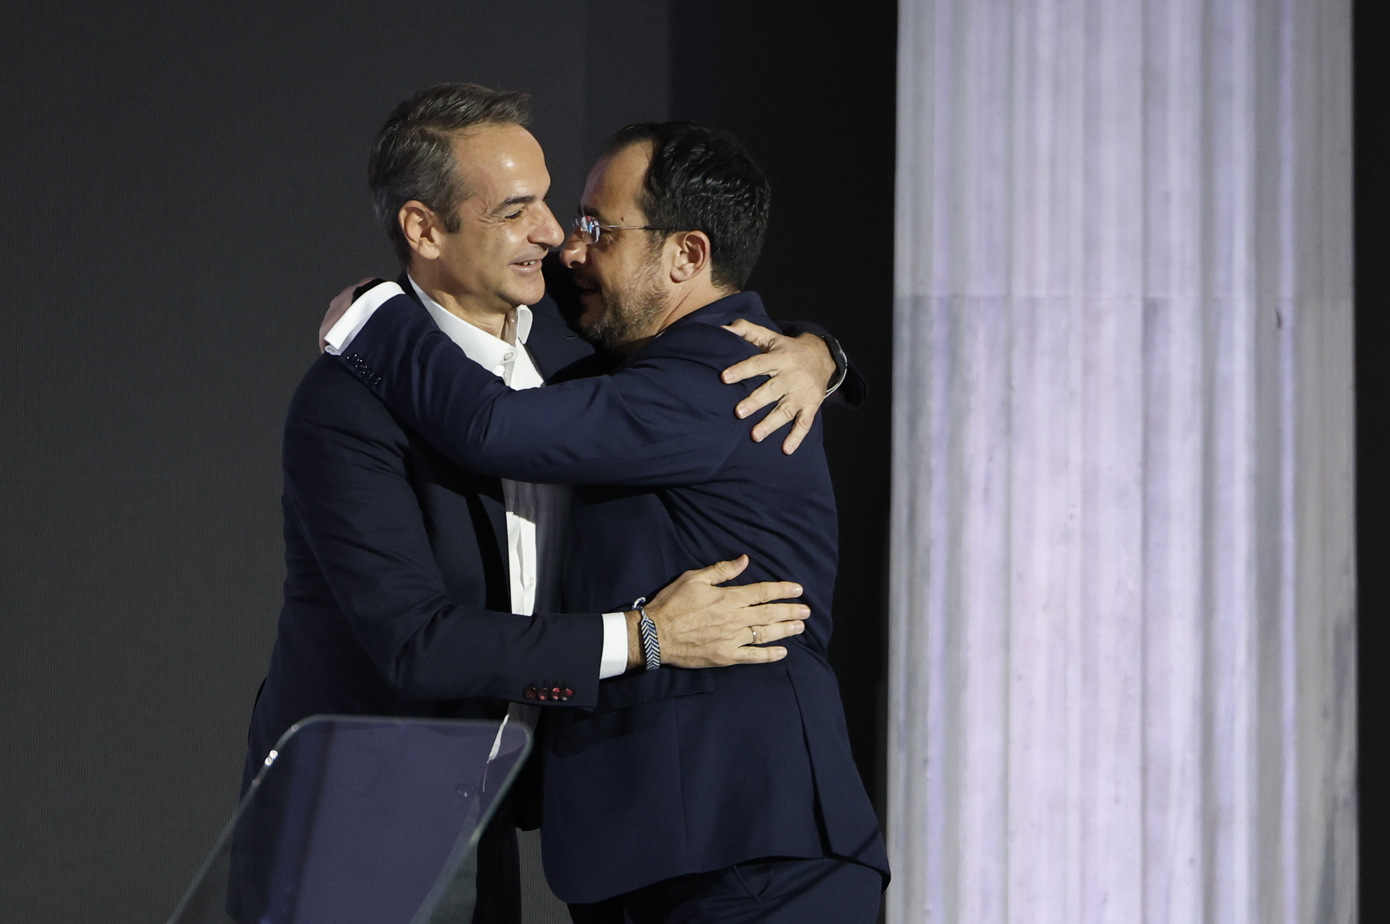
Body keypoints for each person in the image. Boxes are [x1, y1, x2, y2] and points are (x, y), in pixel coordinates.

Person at [243, 84, 845, 924]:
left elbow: (693, 318)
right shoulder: (350, 403)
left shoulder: (578, 352)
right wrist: (644, 637)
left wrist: (821, 354)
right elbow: (415, 643)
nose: (556, 235)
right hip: (356, 825)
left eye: (559, 207)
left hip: (512, 820)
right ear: (425, 229)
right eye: (515, 210)